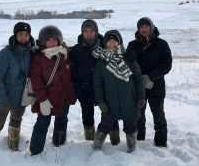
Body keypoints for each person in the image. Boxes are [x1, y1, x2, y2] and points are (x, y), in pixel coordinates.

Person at [0, 22, 35, 160]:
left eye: (26, 34)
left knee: (16, 121)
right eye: (20, 34)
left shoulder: (31, 52)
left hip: (22, 97)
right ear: (15, 35)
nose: (23, 37)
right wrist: (3, 101)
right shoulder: (4, 55)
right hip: (5, 99)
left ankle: (13, 145)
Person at [92, 30, 145, 153]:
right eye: (109, 41)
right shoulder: (101, 61)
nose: (112, 44)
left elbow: (138, 79)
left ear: (119, 42)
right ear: (105, 43)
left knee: (131, 127)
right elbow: (97, 84)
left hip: (129, 101)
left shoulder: (129, 58)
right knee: (104, 125)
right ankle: (96, 148)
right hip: (110, 102)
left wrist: (141, 97)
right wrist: (100, 101)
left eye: (114, 40)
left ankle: (131, 149)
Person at [29, 25, 77, 155]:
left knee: (62, 119)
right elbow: (36, 81)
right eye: (48, 40)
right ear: (43, 41)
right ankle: (35, 150)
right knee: (42, 123)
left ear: (59, 40)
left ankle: (59, 143)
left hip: (64, 95)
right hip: (47, 97)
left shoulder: (65, 53)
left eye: (54, 39)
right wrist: (43, 100)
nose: (51, 43)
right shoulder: (38, 58)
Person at [70, 20, 120, 144]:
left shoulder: (105, 47)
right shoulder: (77, 50)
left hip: (105, 89)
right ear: (82, 33)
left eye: (92, 31)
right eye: (86, 31)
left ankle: (115, 140)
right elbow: (74, 74)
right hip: (85, 89)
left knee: (111, 115)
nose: (89, 34)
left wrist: (130, 53)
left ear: (96, 32)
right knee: (87, 116)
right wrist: (79, 92)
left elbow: (120, 55)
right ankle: (89, 140)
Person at [127, 17, 172, 147]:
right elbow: (129, 63)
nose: (144, 29)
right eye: (141, 27)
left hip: (156, 87)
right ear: (138, 29)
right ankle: (140, 142)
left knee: (159, 116)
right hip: (138, 88)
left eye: (147, 26)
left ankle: (161, 143)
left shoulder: (162, 44)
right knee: (139, 117)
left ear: (151, 27)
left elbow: (166, 65)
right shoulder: (133, 45)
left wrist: (150, 77)